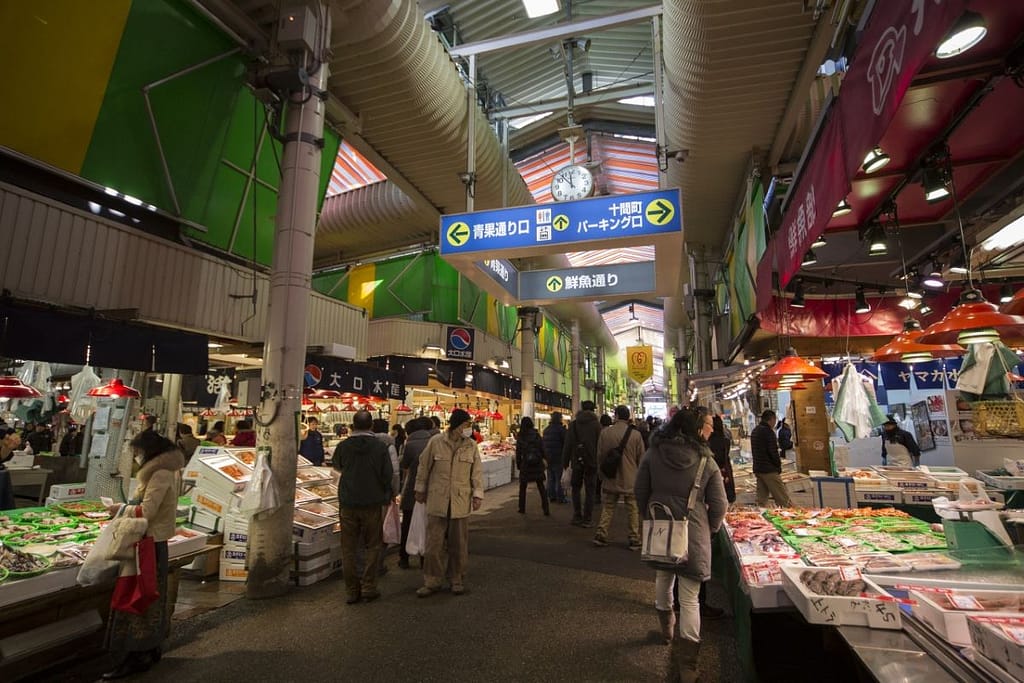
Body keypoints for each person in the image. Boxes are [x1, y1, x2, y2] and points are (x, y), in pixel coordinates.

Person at [635, 408, 727, 683]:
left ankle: (666, 631)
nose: (711, 430)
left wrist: (651, 517)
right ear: (698, 429)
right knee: (689, 599)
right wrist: (709, 529)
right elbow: (720, 504)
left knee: (663, 578)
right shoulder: (705, 462)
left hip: (661, 527)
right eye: (709, 426)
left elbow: (640, 491)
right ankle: (688, 665)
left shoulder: (653, 453)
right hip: (693, 532)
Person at [102, 429, 185, 679]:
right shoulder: (165, 471)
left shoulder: (159, 474)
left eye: (137, 452)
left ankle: (136, 655)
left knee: (139, 598)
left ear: (148, 451)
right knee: (150, 596)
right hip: (152, 542)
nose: (136, 456)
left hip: (148, 543)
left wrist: (120, 509)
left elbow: (147, 511)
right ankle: (150, 649)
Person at [414, 408, 484, 597]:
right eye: (466, 425)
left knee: (459, 544)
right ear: (457, 425)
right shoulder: (436, 442)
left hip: (460, 501)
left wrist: (477, 494)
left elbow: (476, 472)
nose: (469, 428)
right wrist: (419, 489)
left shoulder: (471, 445)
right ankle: (432, 580)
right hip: (438, 500)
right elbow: (424, 466)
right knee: (433, 544)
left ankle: (456, 578)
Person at [332, 410, 394, 604]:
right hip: (372, 502)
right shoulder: (379, 447)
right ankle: (369, 586)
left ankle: (351, 591)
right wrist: (387, 494)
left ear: (352, 425)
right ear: (371, 426)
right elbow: (387, 474)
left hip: (348, 501)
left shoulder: (343, 446)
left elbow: (337, 466)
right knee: (373, 545)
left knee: (348, 547)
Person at [594, 405, 646, 549]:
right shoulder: (636, 435)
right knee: (632, 508)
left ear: (615, 416)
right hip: (630, 478)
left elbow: (600, 456)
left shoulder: (606, 433)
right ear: (628, 416)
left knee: (608, 506)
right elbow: (641, 459)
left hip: (611, 476)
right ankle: (634, 538)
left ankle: (601, 533)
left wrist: (601, 473)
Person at [398, 417, 432, 569]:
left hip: (413, 489)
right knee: (427, 525)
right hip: (431, 490)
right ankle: (425, 559)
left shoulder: (410, 445)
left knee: (407, 524)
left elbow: (404, 466)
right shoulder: (434, 442)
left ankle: (404, 558)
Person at [562, 400, 601, 528]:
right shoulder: (596, 425)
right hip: (592, 461)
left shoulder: (573, 425)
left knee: (576, 488)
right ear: (593, 410)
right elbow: (600, 445)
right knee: (590, 490)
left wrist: (565, 462)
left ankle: (577, 515)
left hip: (576, 460)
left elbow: (567, 445)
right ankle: (587, 518)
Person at [751, 410, 792, 508]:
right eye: (775, 420)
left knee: (761, 500)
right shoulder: (768, 432)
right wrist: (778, 466)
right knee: (783, 500)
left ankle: (760, 518)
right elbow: (773, 452)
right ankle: (789, 518)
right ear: (772, 419)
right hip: (769, 470)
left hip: (758, 469)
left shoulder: (755, 430)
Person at [515, 417, 549, 516]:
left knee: (523, 487)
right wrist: (545, 459)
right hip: (537, 463)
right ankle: (546, 508)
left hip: (526, 464)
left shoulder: (521, 436)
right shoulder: (537, 435)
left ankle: (522, 508)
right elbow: (543, 449)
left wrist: (519, 464)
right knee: (541, 486)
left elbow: (518, 453)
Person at [707, 416, 735, 505]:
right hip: (724, 471)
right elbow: (724, 457)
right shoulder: (725, 441)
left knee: (714, 497)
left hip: (710, 471)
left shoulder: (707, 441)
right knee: (725, 496)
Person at [542, 411, 568, 503]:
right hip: (558, 457)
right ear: (559, 418)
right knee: (558, 478)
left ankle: (551, 495)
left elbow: (543, 445)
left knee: (550, 478)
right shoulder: (561, 430)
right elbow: (566, 444)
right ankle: (560, 497)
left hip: (548, 457)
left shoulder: (546, 430)